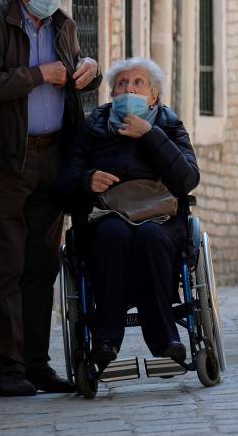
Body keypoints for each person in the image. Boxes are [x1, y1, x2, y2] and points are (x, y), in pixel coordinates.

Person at [0, 0, 102, 396]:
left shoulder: (63, 23)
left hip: (52, 158)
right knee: (6, 265)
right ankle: (8, 370)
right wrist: (37, 75)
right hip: (5, 160)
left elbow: (74, 70)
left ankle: (38, 365)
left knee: (42, 266)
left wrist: (91, 72)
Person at [54, 57, 199, 367]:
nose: (129, 89)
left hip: (159, 217)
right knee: (112, 233)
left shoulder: (169, 125)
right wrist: (86, 180)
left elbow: (187, 179)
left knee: (150, 236)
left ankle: (166, 339)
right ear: (112, 94)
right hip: (106, 216)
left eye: (138, 84)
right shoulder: (93, 127)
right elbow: (63, 184)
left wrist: (150, 135)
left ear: (153, 96)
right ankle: (106, 339)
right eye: (122, 84)